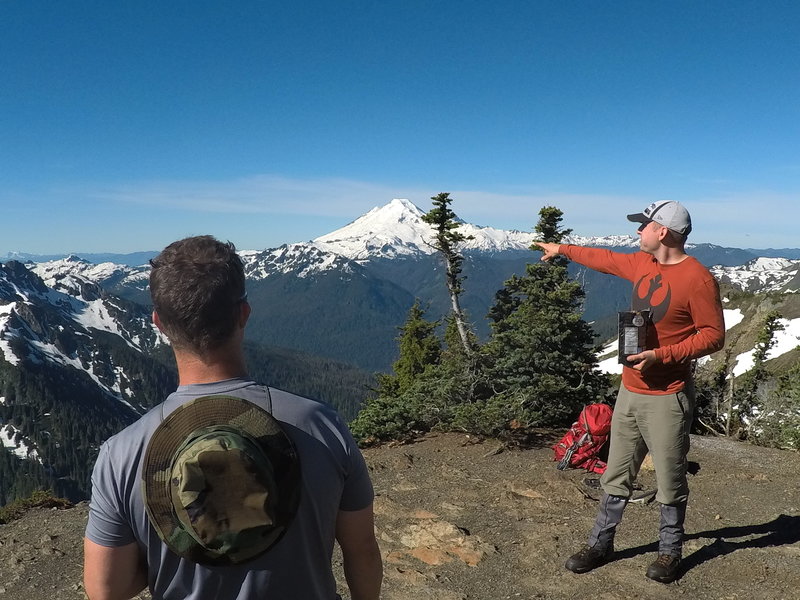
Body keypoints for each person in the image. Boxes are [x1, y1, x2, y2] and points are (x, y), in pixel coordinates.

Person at [83, 235, 383, 600]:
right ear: (244, 313)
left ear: (159, 323)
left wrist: (174, 541)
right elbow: (361, 550)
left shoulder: (122, 455)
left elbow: (104, 590)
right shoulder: (321, 427)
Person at [537, 200, 725, 584]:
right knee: (617, 472)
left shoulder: (698, 279)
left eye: (644, 226)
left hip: (668, 395)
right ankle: (601, 544)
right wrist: (561, 250)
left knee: (670, 478)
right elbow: (603, 258)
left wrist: (662, 355)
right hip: (629, 390)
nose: (637, 232)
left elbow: (714, 336)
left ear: (662, 232)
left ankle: (670, 551)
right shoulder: (642, 263)